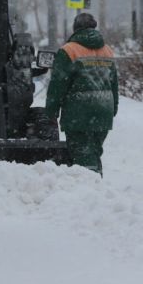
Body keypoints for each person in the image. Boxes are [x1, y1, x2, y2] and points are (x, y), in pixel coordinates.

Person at [45, 13, 119, 176]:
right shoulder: (107, 50)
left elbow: (58, 84)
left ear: (75, 29)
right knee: (94, 152)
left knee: (82, 155)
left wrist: (51, 112)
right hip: (103, 111)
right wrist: (113, 108)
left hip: (79, 113)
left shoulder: (69, 50)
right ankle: (95, 186)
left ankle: (90, 190)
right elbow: (114, 83)